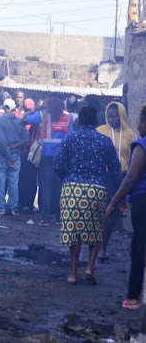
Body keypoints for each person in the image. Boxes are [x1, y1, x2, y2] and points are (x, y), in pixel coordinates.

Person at [54, 106, 121, 285]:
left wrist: (67, 179)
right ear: (97, 121)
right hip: (97, 189)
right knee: (95, 229)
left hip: (72, 190)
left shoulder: (70, 139)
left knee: (74, 232)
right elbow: (115, 170)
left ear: (79, 121)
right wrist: (121, 194)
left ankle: (73, 274)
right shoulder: (105, 141)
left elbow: (58, 165)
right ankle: (90, 267)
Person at [105, 104, 146, 311]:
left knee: (142, 249)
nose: (137, 125)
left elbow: (131, 177)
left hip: (143, 202)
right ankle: (132, 298)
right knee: (137, 249)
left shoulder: (141, 145)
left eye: (139, 120)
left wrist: (113, 202)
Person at [22, 96, 73, 224]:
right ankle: (57, 215)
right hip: (62, 156)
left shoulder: (42, 115)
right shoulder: (68, 117)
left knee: (46, 186)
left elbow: (21, 121)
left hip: (46, 156)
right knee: (59, 186)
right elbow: (71, 137)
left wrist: (34, 109)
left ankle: (46, 216)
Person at [97, 102, 136, 260]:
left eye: (115, 116)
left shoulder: (130, 134)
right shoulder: (100, 131)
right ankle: (96, 247)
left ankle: (103, 248)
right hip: (102, 176)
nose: (111, 119)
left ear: (122, 116)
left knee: (110, 214)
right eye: (109, 116)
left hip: (120, 177)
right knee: (99, 213)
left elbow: (133, 156)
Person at [0, 98, 30, 215]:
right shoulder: (20, 121)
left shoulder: (0, 121)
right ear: (14, 108)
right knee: (14, 181)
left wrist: (8, 153)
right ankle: (13, 207)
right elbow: (26, 139)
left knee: (0, 181)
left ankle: (0, 208)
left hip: (2, 154)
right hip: (15, 155)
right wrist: (14, 148)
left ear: (4, 108)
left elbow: (1, 141)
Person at [18, 98, 39, 212]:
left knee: (24, 179)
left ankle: (22, 202)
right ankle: (29, 204)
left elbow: (22, 120)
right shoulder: (39, 120)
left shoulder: (32, 120)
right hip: (35, 154)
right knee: (31, 180)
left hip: (28, 152)